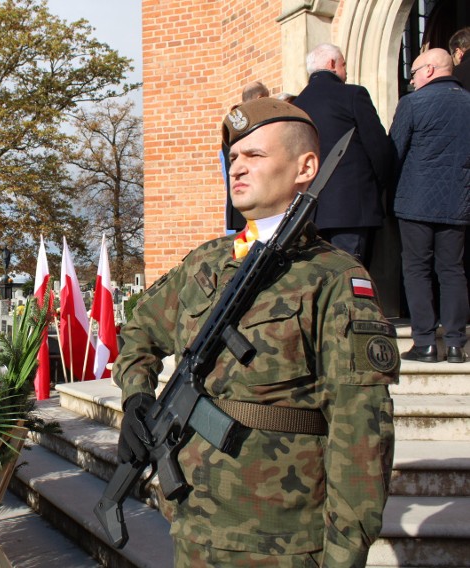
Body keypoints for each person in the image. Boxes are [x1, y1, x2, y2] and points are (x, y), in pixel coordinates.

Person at [115, 98, 398, 566]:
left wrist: (344, 554)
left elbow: (361, 432)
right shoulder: (205, 263)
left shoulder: (334, 279)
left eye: (255, 156)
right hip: (193, 531)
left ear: (306, 166)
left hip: (284, 543)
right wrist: (136, 396)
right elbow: (138, 331)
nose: (238, 168)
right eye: (233, 159)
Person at [389, 48, 470, 363]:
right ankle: (454, 344)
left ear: (431, 69)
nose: (412, 79)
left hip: (415, 201)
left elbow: (394, 151)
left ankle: (424, 342)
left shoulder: (412, 103)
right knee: (452, 271)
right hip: (458, 201)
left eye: (414, 72)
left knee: (417, 269)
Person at [293, 43, 393, 265]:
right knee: (351, 279)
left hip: (309, 213)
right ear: (332, 64)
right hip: (351, 208)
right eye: (344, 65)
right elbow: (379, 149)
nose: (345, 72)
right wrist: (381, 187)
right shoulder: (353, 94)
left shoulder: (297, 105)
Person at [224, 81, 271, 232]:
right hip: (258, 202)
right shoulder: (255, 122)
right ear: (259, 98)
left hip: (239, 201)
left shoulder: (232, 124)